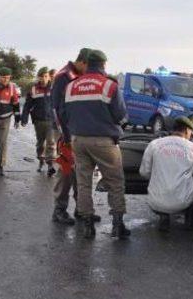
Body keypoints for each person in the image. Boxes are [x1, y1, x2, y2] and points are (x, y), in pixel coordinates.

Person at [64, 50, 130, 239]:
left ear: (86, 63)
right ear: (103, 65)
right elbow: (120, 115)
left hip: (78, 140)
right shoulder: (109, 85)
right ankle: (118, 225)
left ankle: (87, 225)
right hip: (104, 142)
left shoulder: (71, 86)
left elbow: (66, 114)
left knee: (83, 182)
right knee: (115, 182)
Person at [139, 116, 193, 232]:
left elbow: (144, 173)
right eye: (191, 133)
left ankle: (164, 216)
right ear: (186, 131)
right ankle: (189, 221)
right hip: (182, 203)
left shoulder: (154, 144)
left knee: (158, 177)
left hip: (156, 203)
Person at [49, 48, 92, 225]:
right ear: (82, 62)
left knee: (79, 170)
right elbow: (56, 108)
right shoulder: (64, 76)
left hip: (76, 131)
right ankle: (59, 210)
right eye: (89, 67)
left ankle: (81, 209)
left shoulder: (78, 75)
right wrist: (65, 136)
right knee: (66, 171)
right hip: (64, 131)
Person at [21, 67, 56, 176]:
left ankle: (50, 164)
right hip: (39, 121)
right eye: (41, 76)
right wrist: (24, 118)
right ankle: (41, 160)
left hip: (52, 120)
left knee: (51, 143)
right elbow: (27, 105)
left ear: (49, 77)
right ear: (38, 77)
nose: (44, 78)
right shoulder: (33, 89)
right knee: (40, 144)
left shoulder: (55, 88)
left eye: (46, 76)